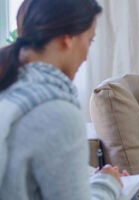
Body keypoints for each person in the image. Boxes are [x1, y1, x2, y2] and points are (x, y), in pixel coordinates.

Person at [0, 0, 129, 199]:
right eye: (90, 40)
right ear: (68, 39)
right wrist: (108, 182)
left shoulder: (9, 88)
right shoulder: (58, 113)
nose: (86, 56)